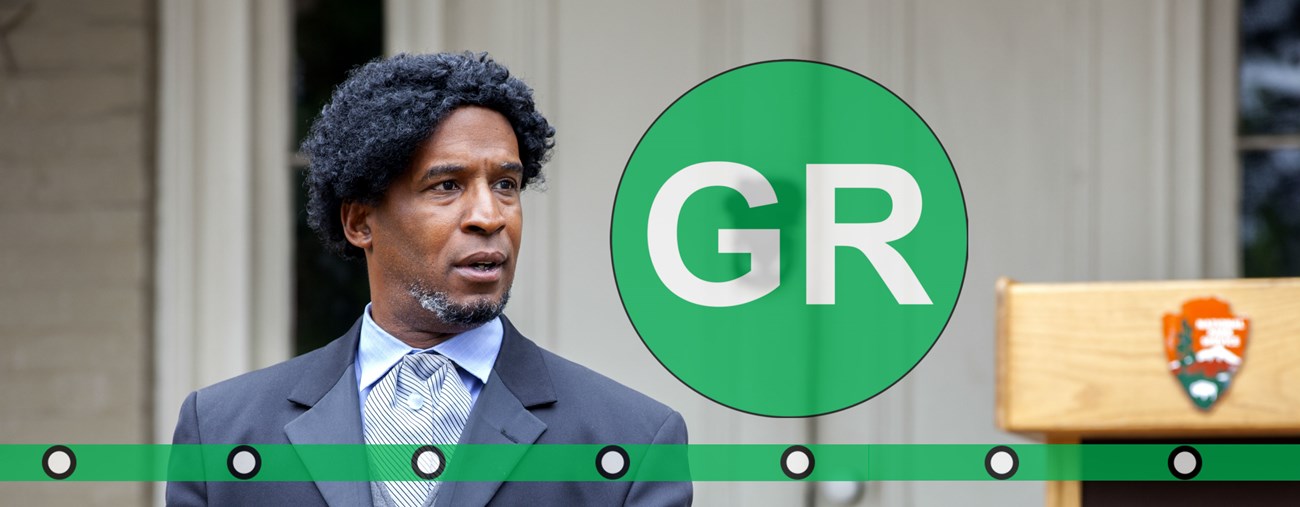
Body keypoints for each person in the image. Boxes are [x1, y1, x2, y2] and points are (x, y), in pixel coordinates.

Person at [167, 52, 691, 506]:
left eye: (506, 184)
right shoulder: (220, 431)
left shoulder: (634, 440)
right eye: (447, 185)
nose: (490, 215)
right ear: (359, 222)